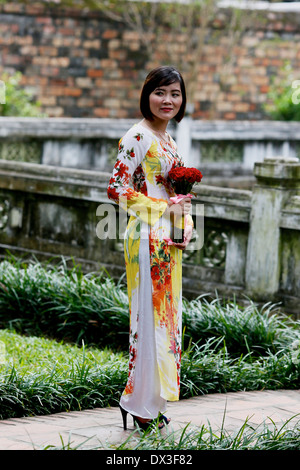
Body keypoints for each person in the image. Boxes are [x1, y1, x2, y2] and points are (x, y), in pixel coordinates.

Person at [107, 65, 193, 431]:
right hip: (144, 237)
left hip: (167, 238)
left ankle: (150, 402)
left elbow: (175, 193)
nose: (168, 100)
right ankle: (138, 402)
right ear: (147, 95)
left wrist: (185, 223)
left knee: (165, 321)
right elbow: (115, 188)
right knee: (148, 317)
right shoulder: (138, 136)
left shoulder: (168, 139)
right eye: (161, 92)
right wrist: (163, 210)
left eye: (175, 94)